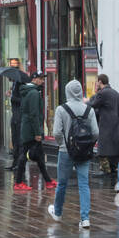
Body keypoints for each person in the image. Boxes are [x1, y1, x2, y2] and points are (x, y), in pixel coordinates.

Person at [47, 79, 97, 228]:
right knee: (83, 184)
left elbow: (56, 132)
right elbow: (95, 132)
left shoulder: (61, 109)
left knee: (62, 183)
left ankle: (57, 212)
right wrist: (87, 145)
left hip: (65, 151)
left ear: (67, 92)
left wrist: (64, 144)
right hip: (84, 151)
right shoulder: (89, 110)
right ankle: (85, 218)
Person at [14, 72, 55, 191]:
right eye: (41, 79)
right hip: (31, 131)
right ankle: (18, 182)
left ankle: (48, 181)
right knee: (24, 155)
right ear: (34, 79)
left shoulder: (32, 92)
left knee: (40, 156)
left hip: (29, 129)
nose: (43, 81)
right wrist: (38, 132)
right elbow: (33, 114)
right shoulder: (33, 93)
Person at [87, 74, 119, 176]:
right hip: (115, 123)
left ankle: (106, 170)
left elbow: (93, 104)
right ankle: (114, 168)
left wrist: (86, 101)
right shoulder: (114, 92)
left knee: (103, 147)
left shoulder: (103, 93)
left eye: (97, 82)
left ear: (100, 82)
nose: (96, 84)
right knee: (113, 146)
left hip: (106, 123)